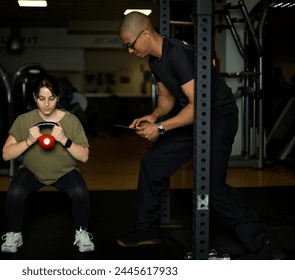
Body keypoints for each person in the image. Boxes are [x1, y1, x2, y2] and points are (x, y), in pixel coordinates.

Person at [116, 11, 285, 259]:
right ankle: (145, 230)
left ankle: (266, 244)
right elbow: (166, 97)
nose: (130, 51)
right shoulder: (155, 60)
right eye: (126, 47)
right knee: (152, 162)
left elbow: (198, 108)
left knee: (213, 186)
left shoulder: (180, 56)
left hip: (218, 117)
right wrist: (154, 116)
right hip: (193, 117)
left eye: (130, 45)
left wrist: (161, 128)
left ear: (146, 33)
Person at [0, 75, 94, 253]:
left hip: (64, 171)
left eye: (51, 98)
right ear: (35, 97)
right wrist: (28, 141)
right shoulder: (24, 120)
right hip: (32, 171)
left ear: (58, 97)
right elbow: (6, 154)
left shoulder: (71, 120)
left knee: (80, 193)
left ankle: (81, 233)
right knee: (15, 193)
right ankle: (15, 234)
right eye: (41, 98)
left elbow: (84, 157)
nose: (46, 104)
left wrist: (63, 139)